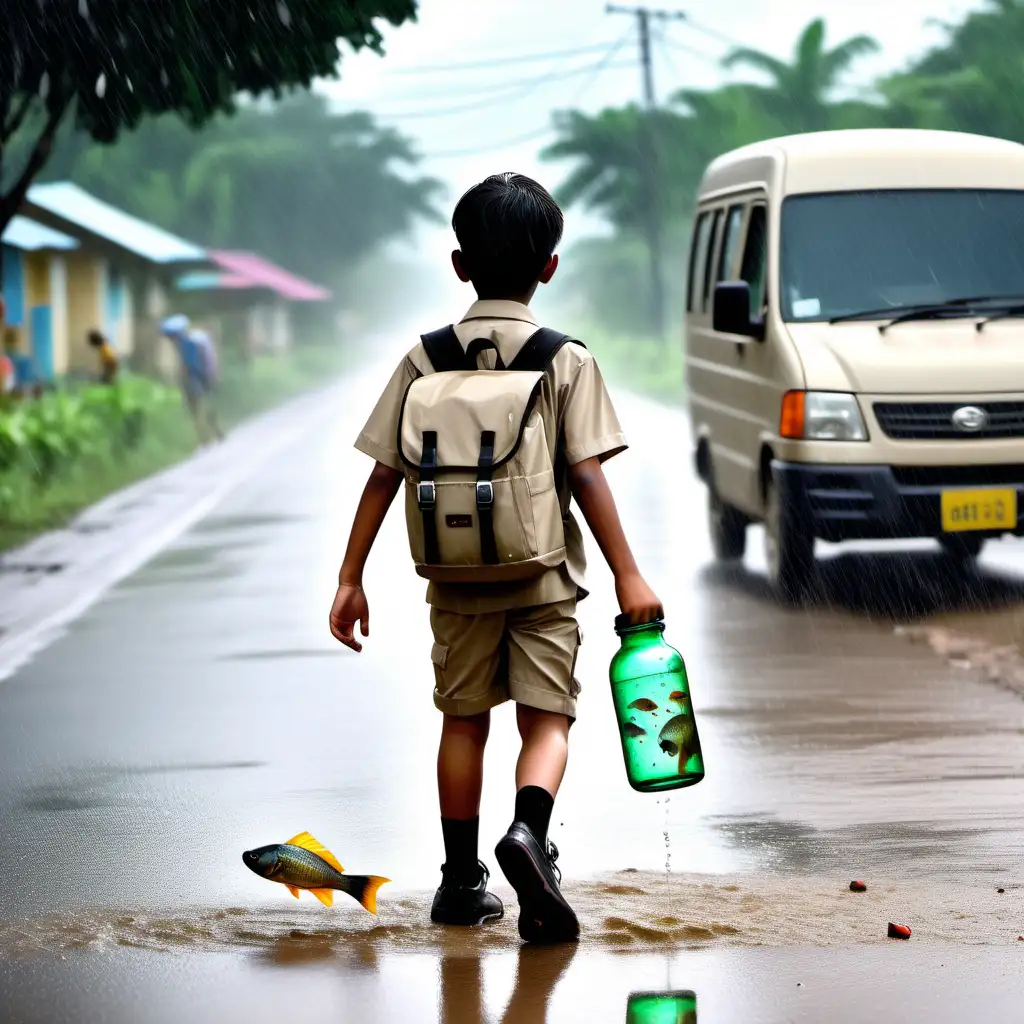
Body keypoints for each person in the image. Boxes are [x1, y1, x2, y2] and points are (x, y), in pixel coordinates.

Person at [328, 173, 662, 944]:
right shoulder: (562, 359)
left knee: (464, 722)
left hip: (455, 583)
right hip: (543, 579)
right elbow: (586, 474)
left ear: (458, 264)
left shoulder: (426, 358)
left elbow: (384, 473)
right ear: (550, 266)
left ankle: (459, 882)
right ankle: (528, 835)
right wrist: (629, 575)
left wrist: (351, 578)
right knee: (548, 722)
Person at [160, 314, 223, 444]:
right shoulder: (193, 341)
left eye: (170, 337)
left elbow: (189, 364)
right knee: (205, 405)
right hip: (203, 377)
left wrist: (182, 375)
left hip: (194, 379)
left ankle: (205, 438)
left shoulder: (185, 344)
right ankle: (215, 432)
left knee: (196, 409)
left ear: (174, 335)